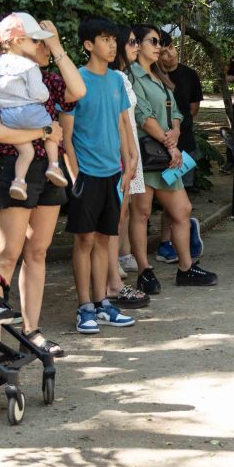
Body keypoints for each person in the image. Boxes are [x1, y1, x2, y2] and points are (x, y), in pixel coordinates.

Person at [0, 16, 86, 355]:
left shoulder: (48, 79)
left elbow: (78, 91)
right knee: (7, 255)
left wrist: (56, 46)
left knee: (37, 251)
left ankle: (32, 331)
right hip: (12, 168)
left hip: (47, 169)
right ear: (14, 42)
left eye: (44, 42)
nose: (43, 47)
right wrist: (43, 133)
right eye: (37, 41)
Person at [61, 17, 141, 335]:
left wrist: (128, 164)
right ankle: (84, 308)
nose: (112, 45)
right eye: (105, 39)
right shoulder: (75, 81)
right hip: (86, 175)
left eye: (113, 39)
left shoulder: (117, 80)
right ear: (88, 45)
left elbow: (123, 123)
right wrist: (75, 174)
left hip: (113, 173)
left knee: (105, 239)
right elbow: (65, 137)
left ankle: (101, 303)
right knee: (84, 240)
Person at [129, 23, 216, 288]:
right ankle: (144, 271)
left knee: (182, 210)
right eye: (153, 42)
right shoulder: (131, 76)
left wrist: (176, 131)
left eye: (161, 43)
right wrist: (171, 144)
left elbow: (176, 111)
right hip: (147, 154)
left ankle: (186, 268)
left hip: (168, 153)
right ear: (137, 45)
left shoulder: (159, 74)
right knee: (141, 213)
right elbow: (142, 116)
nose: (159, 48)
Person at [0, 18, 70, 202]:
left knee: (26, 152)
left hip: (9, 117)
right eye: (34, 40)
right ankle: (54, 165)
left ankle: (18, 182)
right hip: (31, 112)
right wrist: (45, 126)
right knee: (53, 130)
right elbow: (40, 93)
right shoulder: (29, 66)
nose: (39, 45)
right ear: (18, 41)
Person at [155, 30, 204, 262]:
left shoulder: (190, 75)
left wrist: (179, 129)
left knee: (180, 193)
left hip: (185, 145)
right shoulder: (152, 77)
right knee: (169, 199)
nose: (169, 55)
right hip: (160, 148)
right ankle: (166, 242)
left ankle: (177, 241)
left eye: (171, 48)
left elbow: (192, 109)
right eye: (163, 52)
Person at [110, 27, 151, 304]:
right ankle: (111, 273)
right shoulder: (114, 78)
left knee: (123, 211)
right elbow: (118, 121)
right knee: (116, 213)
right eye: (133, 42)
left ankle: (118, 261)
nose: (136, 46)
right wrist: (128, 156)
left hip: (130, 150)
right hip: (120, 152)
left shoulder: (124, 76)